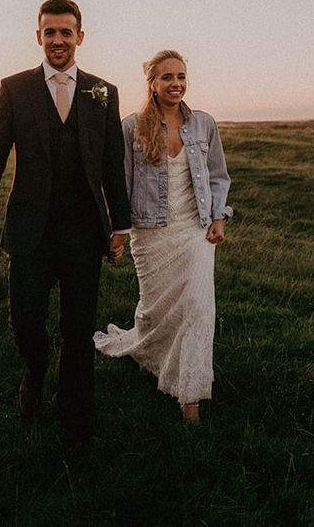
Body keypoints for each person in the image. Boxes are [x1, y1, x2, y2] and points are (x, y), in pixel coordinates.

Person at [0, 0, 130, 444]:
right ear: (38, 37)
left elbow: (113, 164)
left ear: (80, 36)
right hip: (29, 232)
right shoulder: (15, 88)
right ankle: (36, 371)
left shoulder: (103, 92)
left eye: (66, 31)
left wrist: (121, 225)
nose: (58, 40)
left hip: (83, 234)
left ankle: (77, 420)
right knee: (26, 323)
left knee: (78, 331)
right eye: (50, 32)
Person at [94, 50, 232, 424]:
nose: (176, 84)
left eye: (181, 76)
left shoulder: (204, 124)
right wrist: (116, 231)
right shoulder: (133, 126)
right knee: (157, 312)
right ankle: (152, 356)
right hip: (150, 234)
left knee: (199, 308)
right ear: (152, 84)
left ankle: (191, 396)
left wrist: (219, 216)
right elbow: (118, 184)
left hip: (196, 230)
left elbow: (218, 176)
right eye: (167, 77)